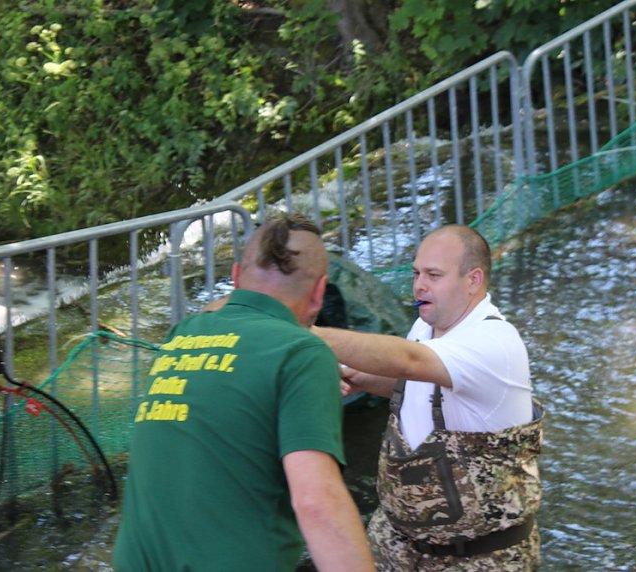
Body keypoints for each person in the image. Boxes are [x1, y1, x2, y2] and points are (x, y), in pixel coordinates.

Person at [112, 215, 374, 572]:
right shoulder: (302, 352)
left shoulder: (182, 336)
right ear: (319, 292)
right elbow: (317, 503)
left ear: (235, 279)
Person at [313, 224, 544, 571]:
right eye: (417, 273)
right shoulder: (428, 324)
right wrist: (361, 378)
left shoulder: (495, 341)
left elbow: (409, 360)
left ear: (473, 280)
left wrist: (300, 333)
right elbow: (418, 386)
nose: (419, 284)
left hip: (477, 557)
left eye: (433, 275)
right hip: (399, 544)